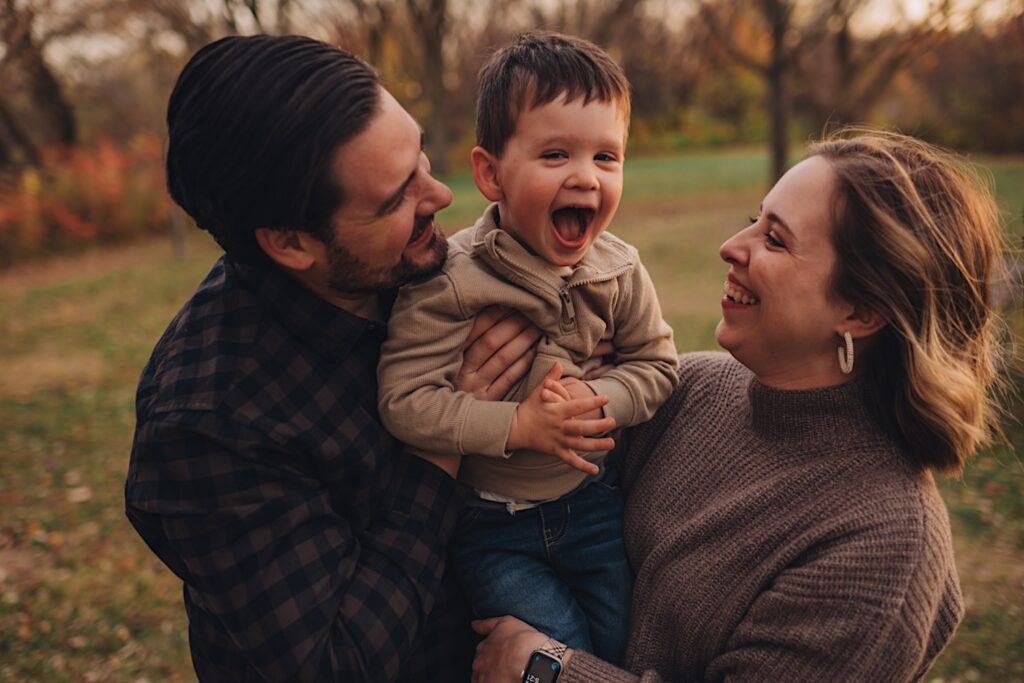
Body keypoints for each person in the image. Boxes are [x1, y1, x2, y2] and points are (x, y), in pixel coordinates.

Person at [470, 129, 1006, 682]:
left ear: (860, 310)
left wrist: (548, 672)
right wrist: (480, 412)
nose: (732, 245)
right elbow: (518, 517)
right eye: (755, 219)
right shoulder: (690, 390)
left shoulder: (884, 546)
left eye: (775, 240)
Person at [124, 34, 542, 682]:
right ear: (292, 243)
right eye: (396, 196)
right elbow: (333, 660)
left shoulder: (423, 275)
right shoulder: (209, 424)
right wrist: (444, 435)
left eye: (420, 156)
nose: (440, 197)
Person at [377, 32, 678, 663]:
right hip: (493, 527)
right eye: (555, 154)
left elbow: (657, 367)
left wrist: (597, 398)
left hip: (593, 507)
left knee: (625, 647)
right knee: (553, 648)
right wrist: (519, 423)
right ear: (491, 174)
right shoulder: (453, 280)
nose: (586, 177)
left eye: (606, 157)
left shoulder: (618, 270)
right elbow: (405, 402)